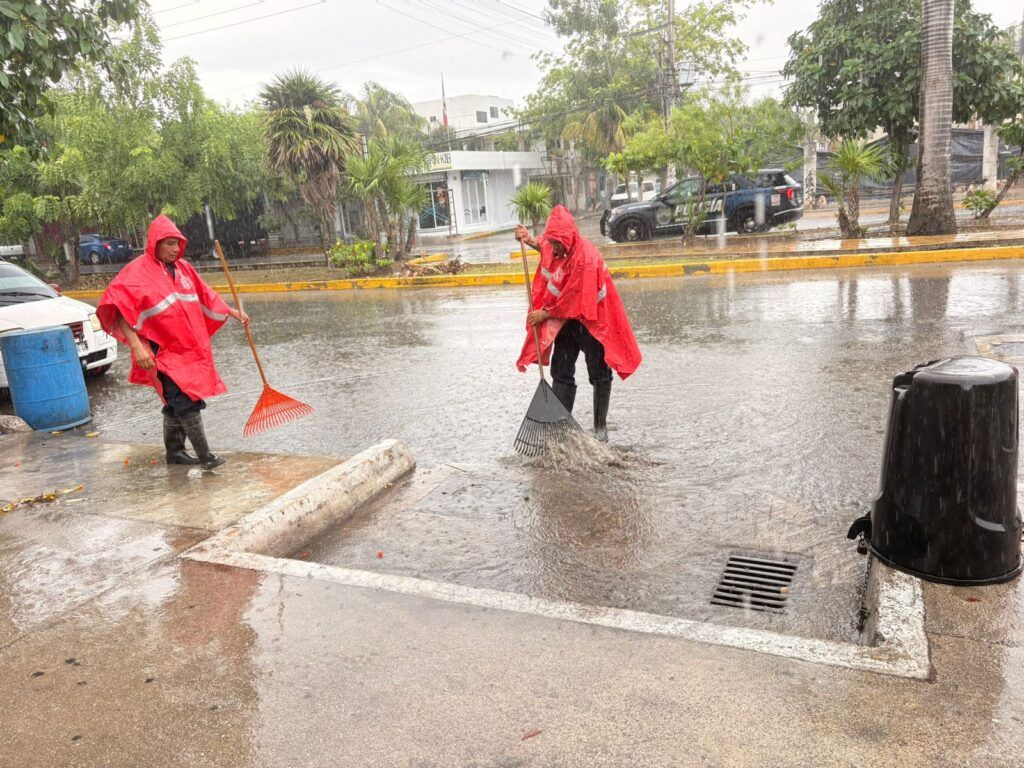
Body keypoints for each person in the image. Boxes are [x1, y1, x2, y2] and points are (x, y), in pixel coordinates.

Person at [96, 214, 249, 469]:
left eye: (177, 243)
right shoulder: (137, 271)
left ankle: (175, 453)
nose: (175, 249)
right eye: (168, 243)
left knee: (175, 402)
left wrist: (234, 313)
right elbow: (119, 310)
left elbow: (205, 296)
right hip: (161, 351)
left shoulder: (183, 268)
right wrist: (137, 347)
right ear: (155, 243)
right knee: (187, 402)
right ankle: (206, 457)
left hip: (189, 350)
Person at [515, 205, 642, 441]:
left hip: (593, 319)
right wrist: (529, 239)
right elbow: (544, 245)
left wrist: (544, 313)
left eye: (557, 243)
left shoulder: (585, 257)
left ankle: (600, 426)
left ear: (569, 238)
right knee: (561, 370)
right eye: (552, 243)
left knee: (599, 372)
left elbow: (574, 299)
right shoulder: (556, 247)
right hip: (568, 320)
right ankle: (562, 427)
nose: (553, 248)